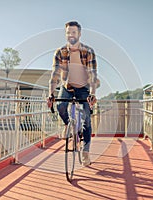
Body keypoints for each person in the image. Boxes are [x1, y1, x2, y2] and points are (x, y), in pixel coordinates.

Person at [47, 21, 98, 167]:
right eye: (68, 32)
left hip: (83, 87)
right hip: (67, 86)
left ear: (79, 34)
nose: (71, 35)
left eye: (74, 32)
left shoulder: (88, 52)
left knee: (86, 120)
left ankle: (85, 151)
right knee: (61, 106)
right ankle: (69, 125)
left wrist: (92, 94)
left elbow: (93, 74)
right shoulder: (60, 52)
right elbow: (55, 74)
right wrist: (50, 94)